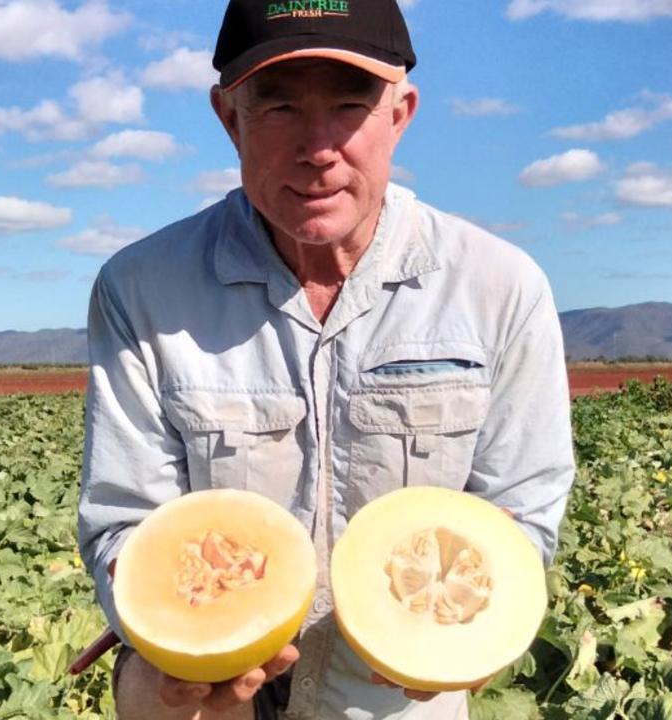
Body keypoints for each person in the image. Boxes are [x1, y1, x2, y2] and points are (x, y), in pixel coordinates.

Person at [76, 0, 576, 717]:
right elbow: (126, 521)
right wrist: (172, 639)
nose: (317, 148)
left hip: (396, 693)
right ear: (229, 117)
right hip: (201, 695)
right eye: (278, 108)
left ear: (399, 115)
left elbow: (518, 513)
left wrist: (467, 636)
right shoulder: (141, 288)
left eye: (349, 106)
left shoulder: (500, 288)